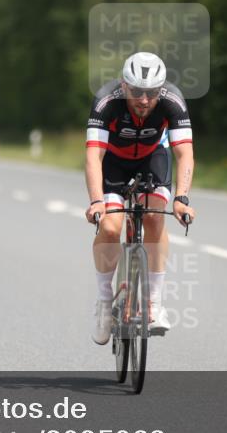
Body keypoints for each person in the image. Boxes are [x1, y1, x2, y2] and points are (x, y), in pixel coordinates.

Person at [84, 52, 196, 344]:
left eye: (151, 93)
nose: (144, 100)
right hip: (114, 163)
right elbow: (94, 156)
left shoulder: (173, 100)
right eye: (136, 92)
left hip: (152, 160)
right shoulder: (107, 101)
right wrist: (97, 200)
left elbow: (184, 154)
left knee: (154, 217)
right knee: (110, 227)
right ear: (123, 85)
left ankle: (154, 304)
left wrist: (182, 197)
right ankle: (105, 302)